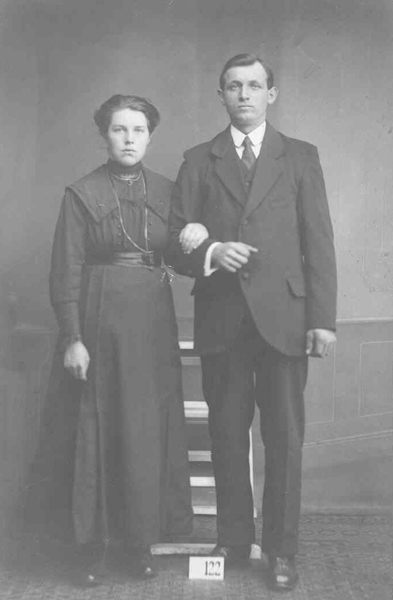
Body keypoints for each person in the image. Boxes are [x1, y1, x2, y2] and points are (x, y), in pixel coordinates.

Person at [168, 54, 337, 591]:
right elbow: (175, 240)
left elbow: (320, 244)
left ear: (272, 93)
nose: (244, 94)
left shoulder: (302, 157)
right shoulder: (198, 159)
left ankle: (282, 549)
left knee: (284, 437)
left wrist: (323, 320)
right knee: (225, 434)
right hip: (222, 319)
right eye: (234, 86)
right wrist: (214, 249)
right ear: (221, 95)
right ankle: (234, 540)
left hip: (286, 320)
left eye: (254, 85)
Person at [27, 94, 193, 584]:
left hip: (151, 325)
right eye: (119, 129)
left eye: (138, 130)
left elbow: (182, 256)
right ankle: (89, 550)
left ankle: (139, 544)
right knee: (93, 430)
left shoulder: (168, 190)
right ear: (104, 135)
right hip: (97, 323)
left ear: (150, 136)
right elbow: (66, 271)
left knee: (143, 430)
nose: (128, 139)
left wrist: (199, 236)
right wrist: (73, 338)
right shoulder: (81, 194)